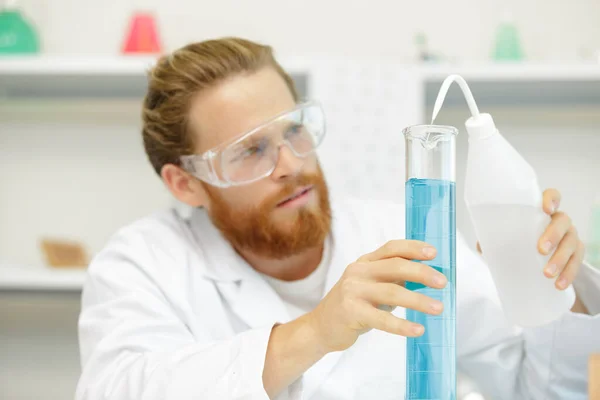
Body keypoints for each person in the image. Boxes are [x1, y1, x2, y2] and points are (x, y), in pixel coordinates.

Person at [76, 38, 600, 400]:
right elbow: (121, 388)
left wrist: (561, 287)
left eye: (295, 131)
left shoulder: (403, 235)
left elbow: (545, 389)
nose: (291, 165)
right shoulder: (140, 264)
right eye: (250, 150)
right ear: (185, 183)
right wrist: (316, 331)